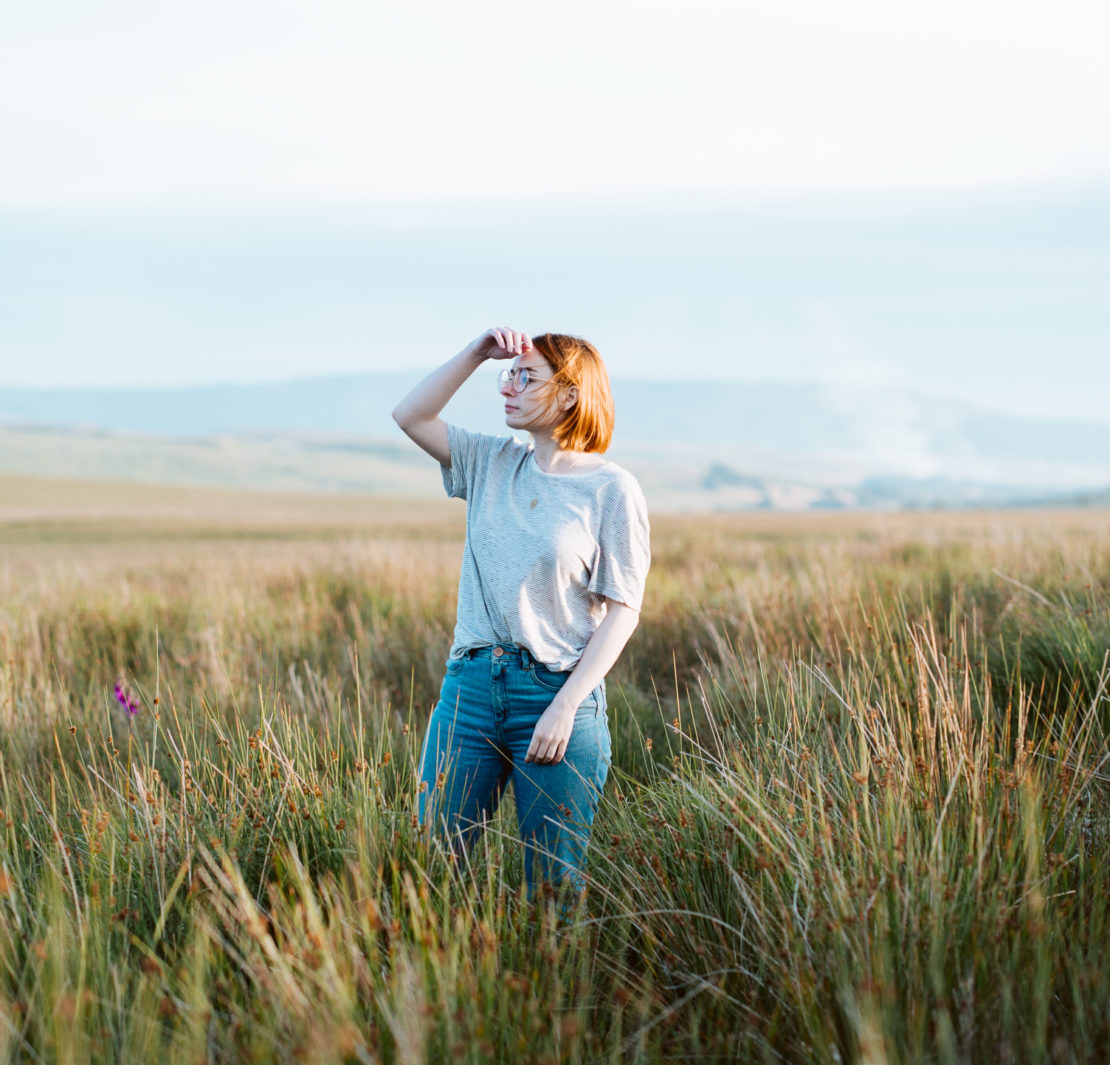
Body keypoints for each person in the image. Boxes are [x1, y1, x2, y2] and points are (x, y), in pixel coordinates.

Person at [391, 326, 651, 899]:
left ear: (569, 394)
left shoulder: (611, 489)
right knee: (432, 871)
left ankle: (547, 988)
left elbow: (623, 611)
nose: (508, 386)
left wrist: (566, 706)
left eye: (525, 376)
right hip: (471, 691)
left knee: (551, 892)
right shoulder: (489, 461)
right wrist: (476, 354)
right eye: (509, 374)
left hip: (557, 694)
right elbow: (410, 415)